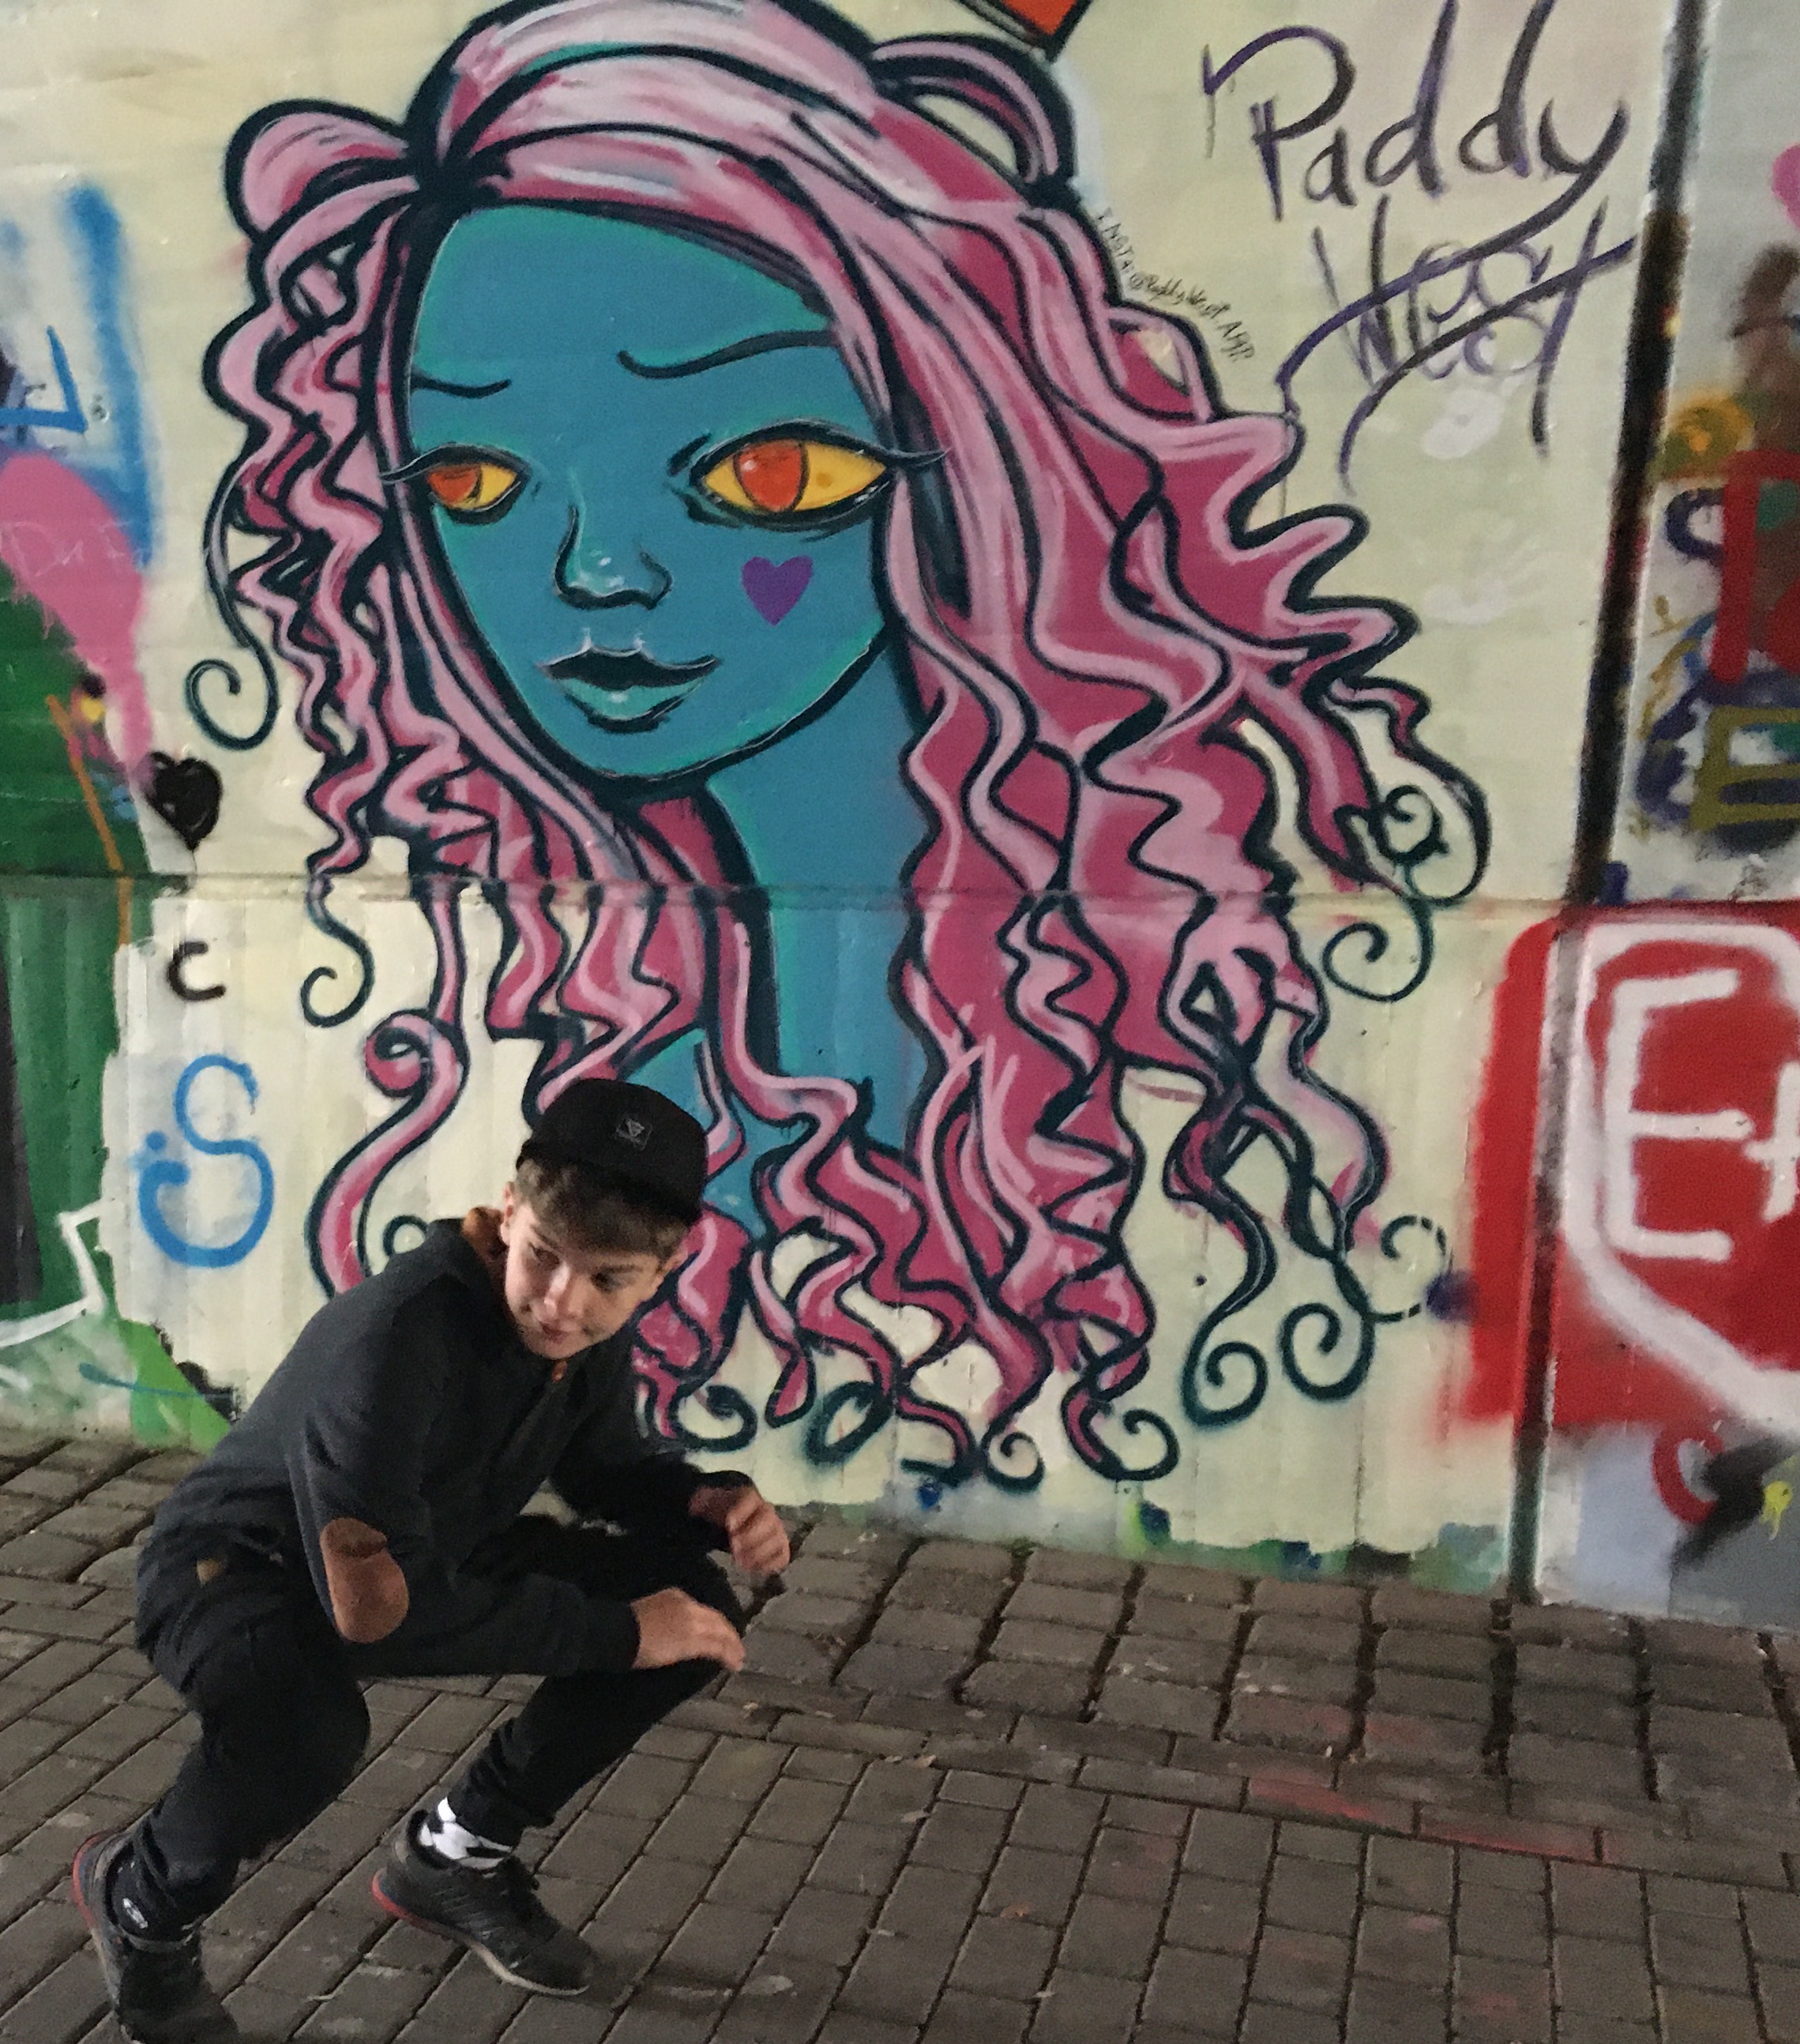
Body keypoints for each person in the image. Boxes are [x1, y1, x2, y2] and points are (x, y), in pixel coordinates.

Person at [195, 0, 1490, 1490]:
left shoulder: (1161, 1046)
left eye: (763, 471)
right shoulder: (619, 1021)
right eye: (478, 480)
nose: (596, 571)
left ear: (979, 478)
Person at [72, 1079, 796, 2044]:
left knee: (693, 1612)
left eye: (608, 1280)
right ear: (507, 1212)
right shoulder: (396, 1339)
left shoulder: (577, 1337)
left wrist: (702, 1502)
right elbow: (383, 1615)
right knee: (309, 1731)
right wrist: (618, 1633)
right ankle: (141, 1899)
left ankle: (457, 1855)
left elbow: (601, 1468)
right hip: (239, 1572)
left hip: (424, 1553)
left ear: (662, 1272)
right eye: (544, 1256)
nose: (563, 1302)